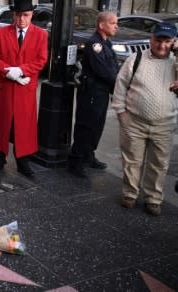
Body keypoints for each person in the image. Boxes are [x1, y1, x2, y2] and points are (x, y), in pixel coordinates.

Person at [112, 22, 178, 216]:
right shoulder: (136, 58)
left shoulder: (175, 62)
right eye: (158, 40)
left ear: (174, 42)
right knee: (132, 161)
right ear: (151, 40)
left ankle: (153, 199)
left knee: (159, 164)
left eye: (167, 41)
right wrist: (121, 113)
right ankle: (130, 194)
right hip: (134, 121)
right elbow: (120, 86)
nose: (162, 45)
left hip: (164, 124)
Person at [0, 0, 48, 178]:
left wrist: (20, 71)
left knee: (24, 128)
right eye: (18, 15)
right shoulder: (2, 33)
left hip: (25, 89)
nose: (22, 19)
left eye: (26, 15)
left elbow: (41, 60)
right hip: (5, 88)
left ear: (31, 15)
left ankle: (23, 163)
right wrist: (8, 72)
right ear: (13, 15)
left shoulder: (41, 35)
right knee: (1, 126)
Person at [68, 12, 119, 178]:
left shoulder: (107, 43)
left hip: (102, 92)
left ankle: (89, 155)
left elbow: (113, 66)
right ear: (101, 25)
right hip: (91, 93)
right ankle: (76, 161)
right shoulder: (94, 44)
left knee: (97, 126)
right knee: (85, 126)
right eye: (112, 23)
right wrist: (119, 83)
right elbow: (103, 71)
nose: (116, 26)